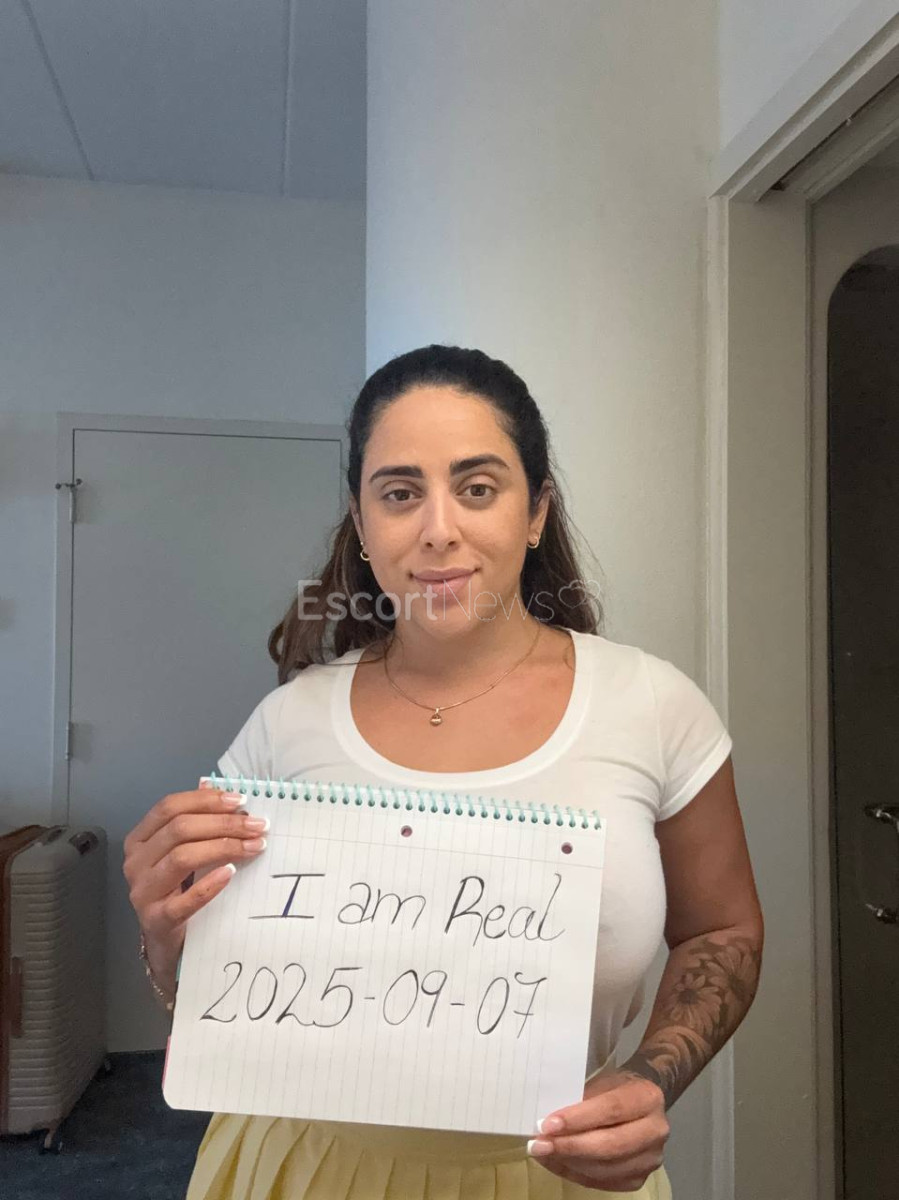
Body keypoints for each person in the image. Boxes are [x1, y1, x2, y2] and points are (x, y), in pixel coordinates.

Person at [123, 345, 764, 1199]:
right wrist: (164, 937)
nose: (437, 528)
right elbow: (213, 994)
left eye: (477, 487)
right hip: (301, 1169)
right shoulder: (286, 726)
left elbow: (721, 930)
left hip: (552, 1177)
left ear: (536, 512)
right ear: (361, 523)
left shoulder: (651, 705)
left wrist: (651, 1076)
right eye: (398, 493)